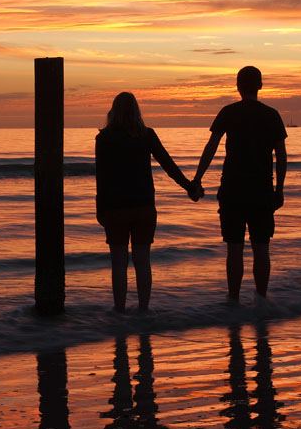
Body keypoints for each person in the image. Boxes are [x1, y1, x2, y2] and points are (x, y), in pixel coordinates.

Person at [96, 92, 200, 312]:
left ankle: (120, 311)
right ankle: (143, 311)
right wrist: (190, 187)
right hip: (143, 207)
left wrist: (100, 208)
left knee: (119, 263)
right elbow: (168, 166)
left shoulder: (104, 138)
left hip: (115, 207)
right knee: (142, 262)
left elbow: (102, 176)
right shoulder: (146, 135)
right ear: (136, 111)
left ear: (113, 111)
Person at [189, 66, 287, 301]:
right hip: (262, 189)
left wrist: (197, 178)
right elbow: (281, 156)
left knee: (234, 248)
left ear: (238, 86)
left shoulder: (228, 112)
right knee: (261, 246)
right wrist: (279, 189)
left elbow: (211, 146)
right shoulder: (271, 115)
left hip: (233, 188)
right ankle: (261, 300)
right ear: (260, 86)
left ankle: (233, 300)